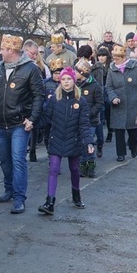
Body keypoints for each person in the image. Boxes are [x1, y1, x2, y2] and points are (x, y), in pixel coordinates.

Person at [0, 34, 44, 214]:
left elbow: (38, 96)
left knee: (18, 160)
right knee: (4, 160)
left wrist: (32, 119)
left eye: (2, 49)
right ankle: (9, 190)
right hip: (1, 124)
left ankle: (19, 198)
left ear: (11, 50)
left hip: (20, 124)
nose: (0, 52)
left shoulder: (31, 69)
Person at [38, 67, 93, 215]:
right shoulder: (54, 100)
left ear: (73, 81)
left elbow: (84, 124)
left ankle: (76, 194)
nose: (66, 82)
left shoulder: (80, 101)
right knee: (54, 169)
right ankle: (50, 201)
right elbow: (45, 118)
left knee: (74, 169)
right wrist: (31, 123)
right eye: (63, 79)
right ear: (60, 81)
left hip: (73, 139)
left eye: (68, 79)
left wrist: (88, 142)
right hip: (56, 138)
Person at [105, 45, 137, 162]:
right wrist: (113, 97)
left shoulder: (135, 67)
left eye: (118, 57)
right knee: (119, 131)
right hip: (118, 105)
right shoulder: (112, 70)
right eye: (114, 57)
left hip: (133, 103)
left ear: (124, 57)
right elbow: (108, 87)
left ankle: (133, 146)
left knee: (132, 129)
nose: (116, 59)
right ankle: (121, 153)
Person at [74, 59, 103, 178]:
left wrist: (89, 113)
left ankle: (90, 166)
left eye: (76, 71)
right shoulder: (74, 85)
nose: (74, 73)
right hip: (77, 121)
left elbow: (99, 103)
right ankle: (82, 166)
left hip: (90, 121)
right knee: (80, 144)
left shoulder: (95, 86)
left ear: (82, 73)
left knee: (88, 144)